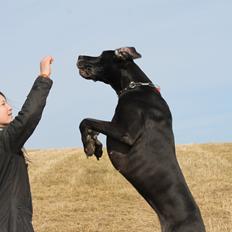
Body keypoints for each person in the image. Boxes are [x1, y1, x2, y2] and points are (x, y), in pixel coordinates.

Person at [0, 56, 54, 232]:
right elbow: (28, 117)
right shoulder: (5, 141)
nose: (9, 107)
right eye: (2, 104)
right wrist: (44, 77)